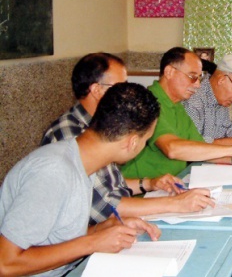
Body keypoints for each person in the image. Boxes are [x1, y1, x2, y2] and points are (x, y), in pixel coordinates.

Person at [0, 83, 162, 276]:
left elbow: (56, 234)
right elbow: (5, 263)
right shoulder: (53, 172)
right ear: (132, 142)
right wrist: (92, 242)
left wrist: (103, 229)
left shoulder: (84, 158)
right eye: (146, 140)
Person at [41, 53, 214, 226]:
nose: (127, 92)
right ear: (96, 90)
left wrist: (148, 183)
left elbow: (108, 184)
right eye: (120, 86)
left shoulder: (104, 123)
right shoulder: (69, 133)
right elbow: (104, 207)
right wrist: (177, 204)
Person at [120, 47, 232, 179]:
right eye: (192, 77)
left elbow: (199, 146)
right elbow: (172, 148)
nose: (197, 85)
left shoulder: (176, 105)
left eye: (199, 78)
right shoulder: (150, 102)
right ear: (169, 72)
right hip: (145, 193)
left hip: (173, 182)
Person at [183, 54, 232, 150]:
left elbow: (227, 127)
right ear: (221, 80)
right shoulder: (193, 101)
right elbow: (192, 144)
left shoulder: (220, 100)